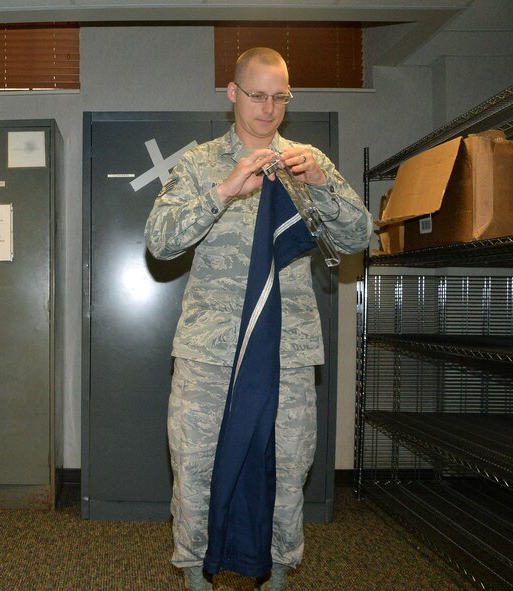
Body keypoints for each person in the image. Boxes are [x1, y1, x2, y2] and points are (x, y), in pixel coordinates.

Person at [144, 47, 372, 591]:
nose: (268, 109)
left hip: (285, 351)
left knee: (286, 466)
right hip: (210, 351)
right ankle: (195, 573)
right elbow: (160, 241)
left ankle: (278, 574)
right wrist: (224, 191)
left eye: (279, 97)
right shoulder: (200, 163)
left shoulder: (306, 161)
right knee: (195, 467)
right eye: (257, 95)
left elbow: (360, 237)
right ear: (232, 93)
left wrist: (320, 184)